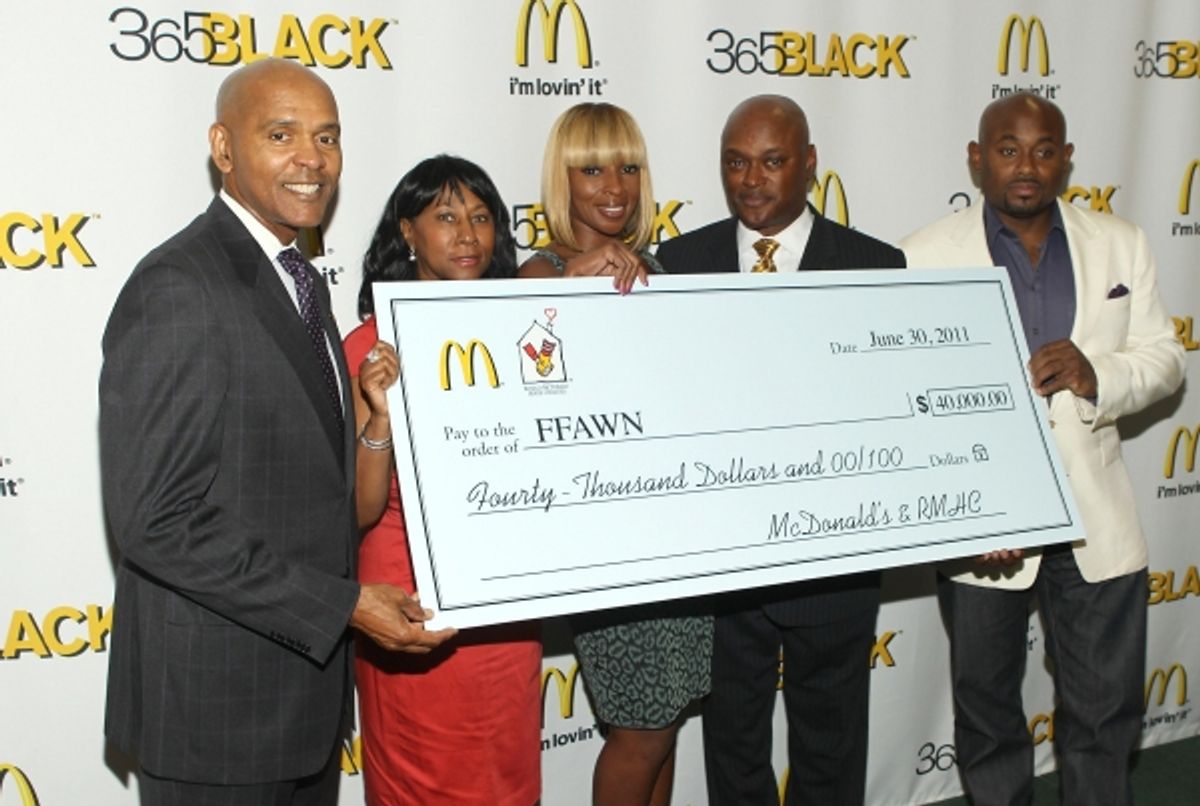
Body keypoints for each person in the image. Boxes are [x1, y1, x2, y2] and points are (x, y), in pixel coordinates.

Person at [98, 59, 453, 805]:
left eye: (327, 137)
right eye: (282, 134)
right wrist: (346, 606)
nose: (312, 159)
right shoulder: (180, 286)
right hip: (215, 716)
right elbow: (155, 522)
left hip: (302, 704)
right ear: (223, 149)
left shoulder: (298, 271)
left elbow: (310, 491)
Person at [900, 92, 1185, 806]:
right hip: (984, 527)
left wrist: (1099, 373)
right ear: (977, 158)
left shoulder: (1122, 242)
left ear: (1065, 159)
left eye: (1043, 149)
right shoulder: (922, 256)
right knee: (988, 719)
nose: (1026, 165)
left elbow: (1165, 359)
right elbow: (910, 398)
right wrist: (970, 514)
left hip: (1097, 519)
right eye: (1007, 149)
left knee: (1103, 715)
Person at [655, 94, 905, 806]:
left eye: (771, 161)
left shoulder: (876, 268)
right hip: (722, 566)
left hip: (837, 568)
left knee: (831, 747)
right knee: (732, 748)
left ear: (810, 165)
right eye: (736, 162)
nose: (751, 180)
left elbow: (893, 422)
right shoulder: (680, 261)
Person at [519, 102, 709, 806]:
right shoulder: (539, 274)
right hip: (612, 546)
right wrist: (575, 287)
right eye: (591, 168)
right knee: (641, 732)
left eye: (629, 167)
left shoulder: (660, 267)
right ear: (560, 179)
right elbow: (526, 388)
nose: (614, 185)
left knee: (667, 727)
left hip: (679, 536)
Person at [345, 155, 541, 805]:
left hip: (504, 602)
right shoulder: (367, 349)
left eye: (481, 218)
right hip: (408, 606)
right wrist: (380, 414)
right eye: (446, 216)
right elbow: (356, 509)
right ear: (407, 232)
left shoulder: (520, 335)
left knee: (505, 777)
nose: (467, 235)